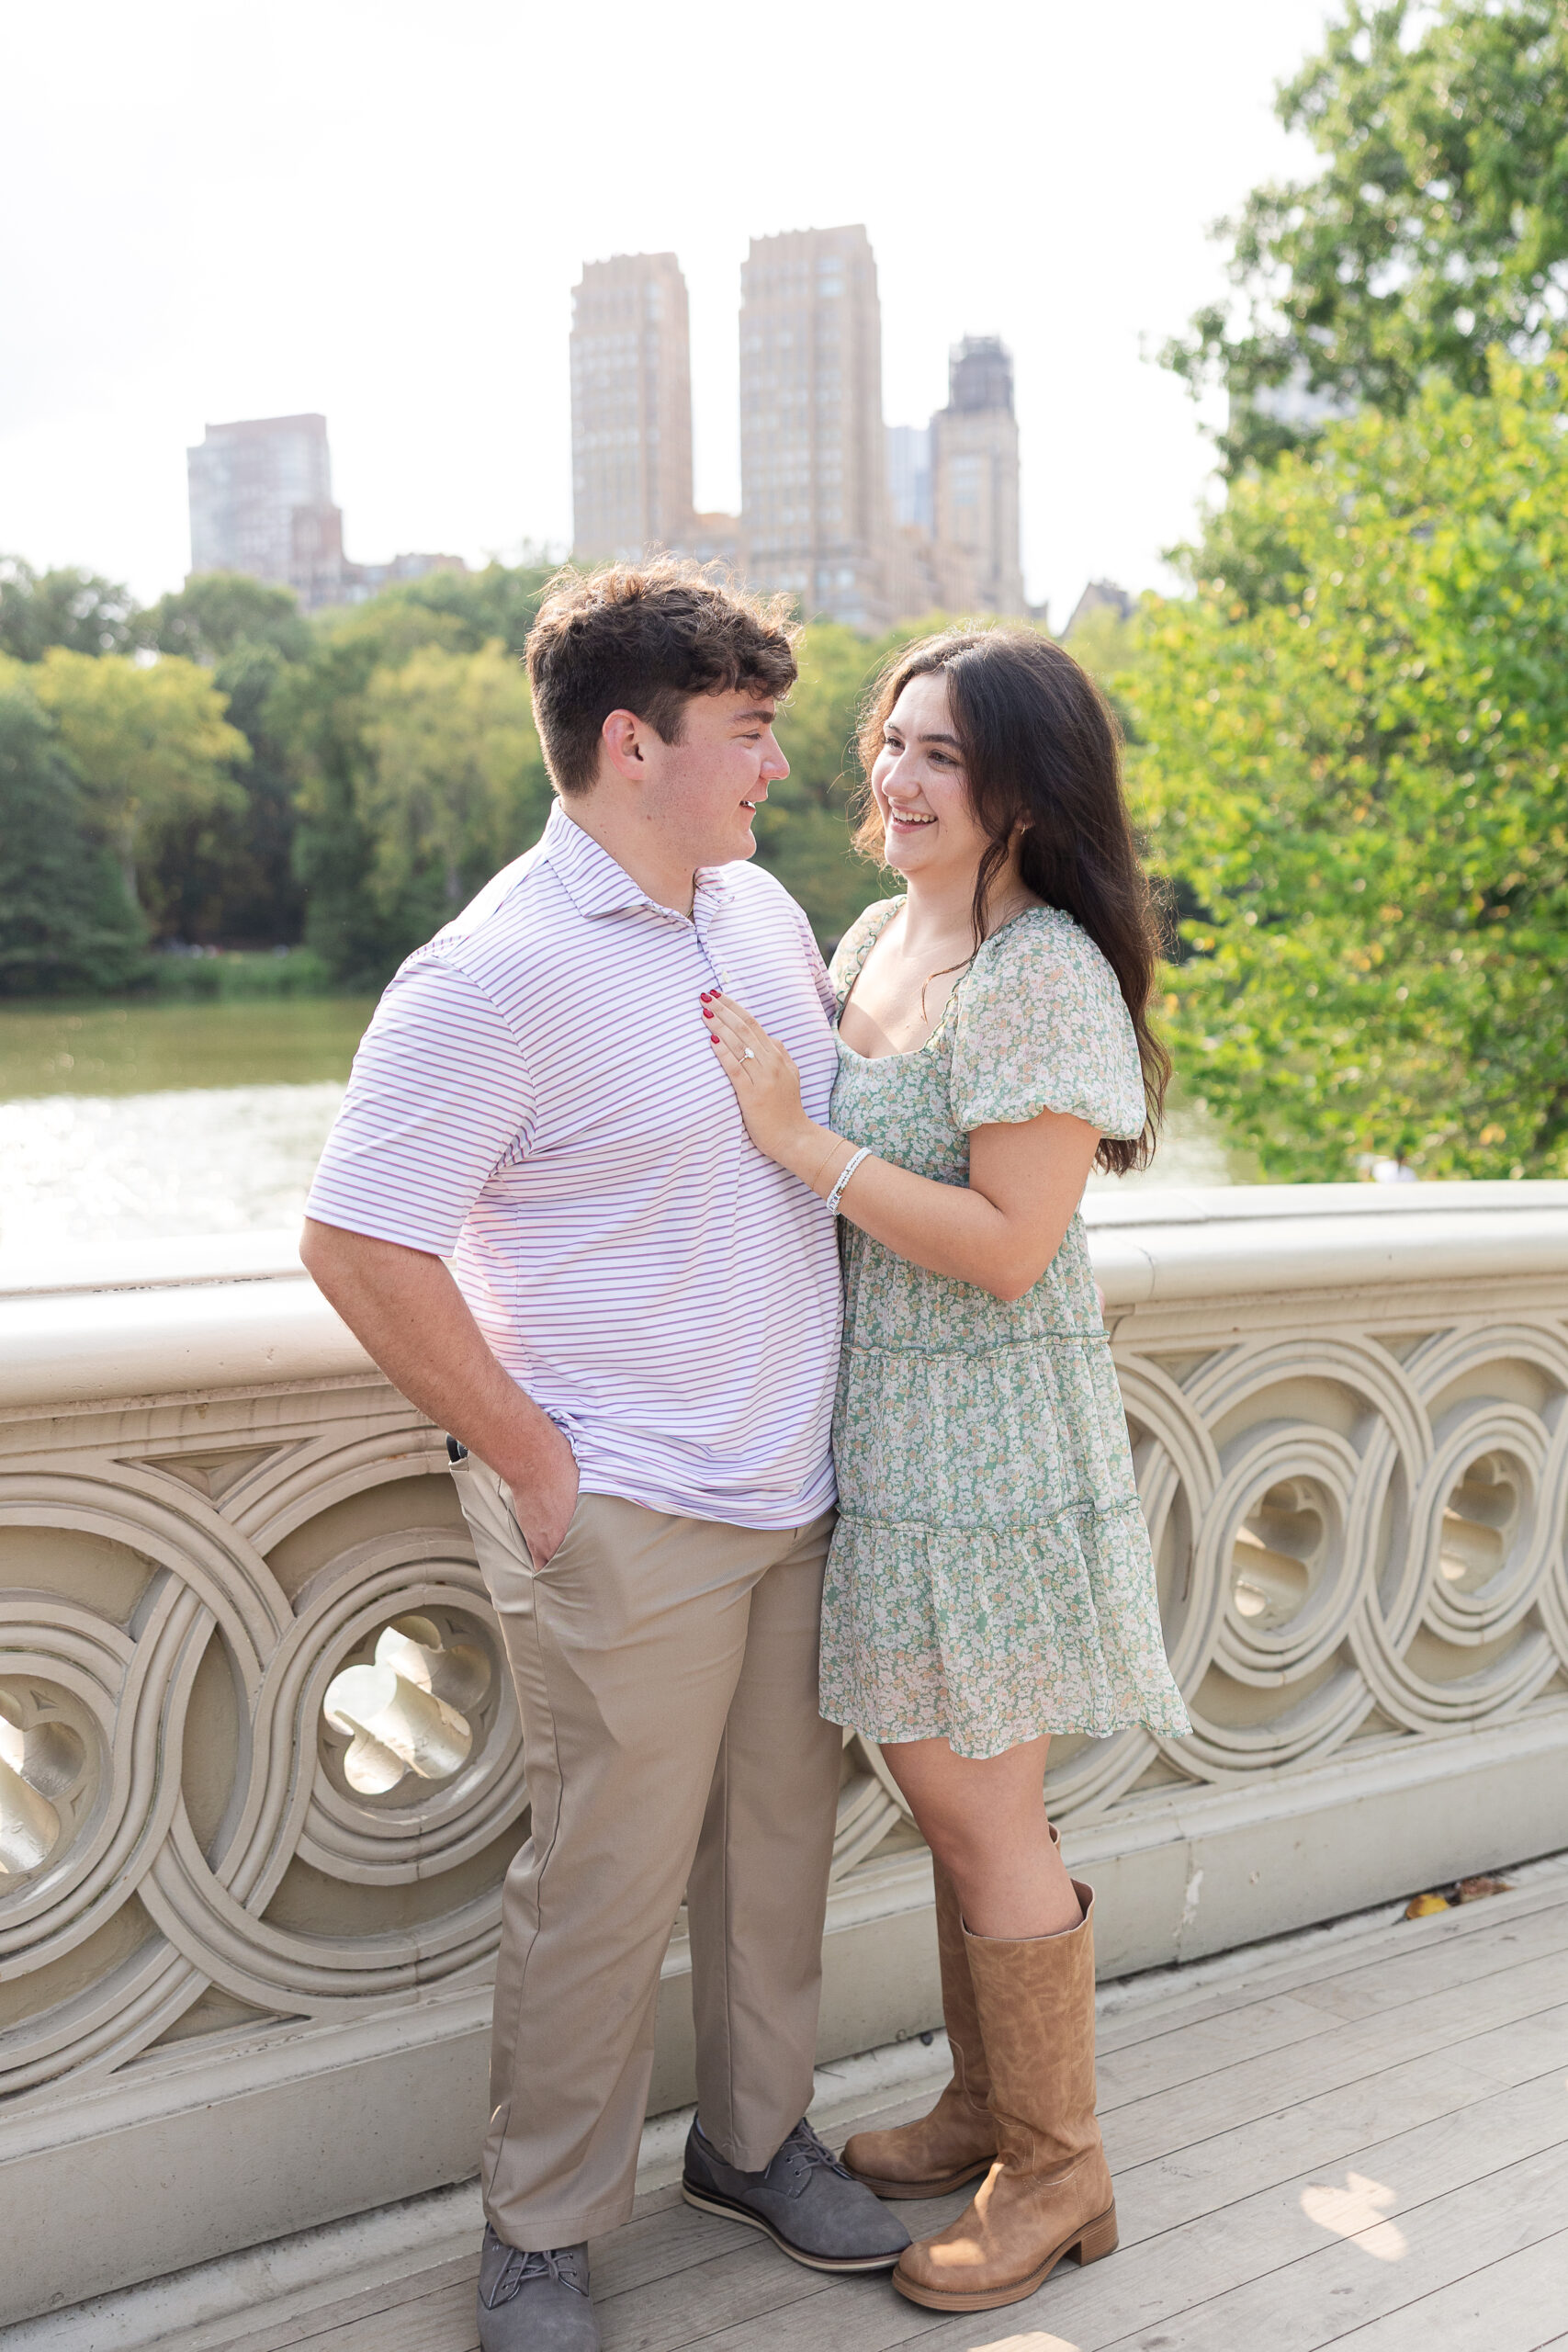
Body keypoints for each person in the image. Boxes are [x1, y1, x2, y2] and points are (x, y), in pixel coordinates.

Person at [299, 563, 908, 2352]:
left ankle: (751, 2140)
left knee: (773, 1853)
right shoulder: (490, 972)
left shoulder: (757, 915)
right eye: (748, 733)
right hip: (621, 1505)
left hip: (790, 1491)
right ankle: (541, 2232)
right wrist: (529, 1456)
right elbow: (357, 1240)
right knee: (599, 1886)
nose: (778, 769)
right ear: (631, 743)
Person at [703, 624, 1192, 2317]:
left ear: (1022, 795)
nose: (899, 780)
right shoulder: (871, 930)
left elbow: (1005, 1244)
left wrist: (801, 1144)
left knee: (982, 1804)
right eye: (893, 744)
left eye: (945, 758)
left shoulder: (1043, 970)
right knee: (948, 1795)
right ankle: (996, 2108)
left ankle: (1060, 2168)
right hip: (885, 1432)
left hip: (988, 1441)